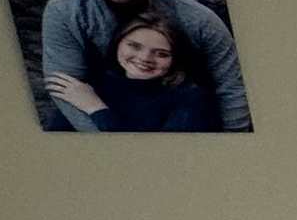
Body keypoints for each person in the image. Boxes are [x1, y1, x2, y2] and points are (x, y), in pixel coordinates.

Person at [36, 0, 250, 131]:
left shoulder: (198, 19)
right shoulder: (65, 11)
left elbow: (231, 89)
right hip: (98, 121)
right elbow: (66, 88)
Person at [42, 13, 212, 132]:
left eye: (162, 54)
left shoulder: (190, 98)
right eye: (134, 46)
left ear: (176, 59)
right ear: (118, 42)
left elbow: (156, 157)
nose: (145, 58)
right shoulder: (91, 87)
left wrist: (96, 108)